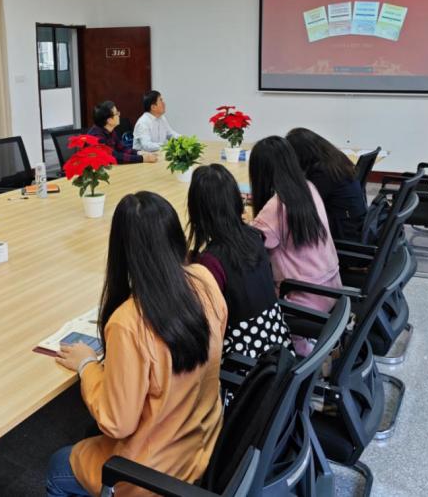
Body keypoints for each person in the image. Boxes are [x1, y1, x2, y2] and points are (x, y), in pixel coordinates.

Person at [48, 191, 226, 497]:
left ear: (120, 250)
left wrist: (87, 365)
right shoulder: (204, 280)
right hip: (204, 443)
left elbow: (117, 423)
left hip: (149, 474)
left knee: (57, 465)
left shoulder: (129, 322)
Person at [187, 164, 291, 361]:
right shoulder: (254, 235)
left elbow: (205, 322)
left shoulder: (212, 262)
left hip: (245, 363)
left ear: (198, 212)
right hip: (277, 349)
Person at [249, 136, 342, 354]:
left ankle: (300, 353)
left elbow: (247, 246)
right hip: (332, 289)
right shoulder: (308, 188)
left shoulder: (275, 207)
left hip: (302, 301)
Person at [286, 127, 367, 242]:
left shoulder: (323, 172)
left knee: (289, 225)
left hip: (343, 231)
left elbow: (306, 203)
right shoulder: (335, 159)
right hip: (353, 222)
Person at [86, 100, 158, 164]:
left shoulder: (110, 131)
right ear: (109, 120)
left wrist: (140, 153)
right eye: (116, 113)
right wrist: (142, 158)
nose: (119, 115)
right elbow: (114, 157)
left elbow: (122, 148)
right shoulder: (97, 137)